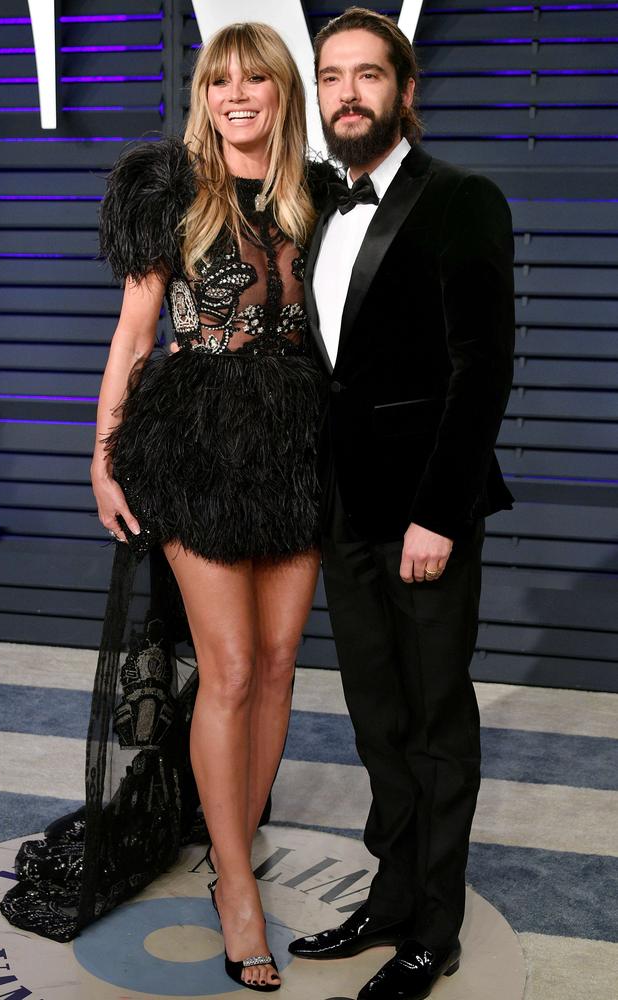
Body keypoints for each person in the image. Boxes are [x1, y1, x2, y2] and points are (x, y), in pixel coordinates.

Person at [0, 22, 335, 994]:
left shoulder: (314, 195)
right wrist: (104, 461)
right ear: (204, 93)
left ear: (280, 94)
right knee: (225, 666)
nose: (236, 94)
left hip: (297, 442)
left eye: (254, 80)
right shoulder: (170, 190)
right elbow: (133, 335)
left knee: (276, 664)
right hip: (194, 442)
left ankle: (237, 821)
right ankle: (236, 888)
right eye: (219, 80)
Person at [288, 8, 515, 1000]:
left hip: (426, 514)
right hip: (343, 514)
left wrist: (437, 511)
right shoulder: (319, 213)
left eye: (365, 76)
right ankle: (388, 897)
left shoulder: (461, 199)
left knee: (433, 724)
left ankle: (435, 927)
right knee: (375, 721)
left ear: (403, 91)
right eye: (330, 77)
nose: (346, 94)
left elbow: (481, 371)